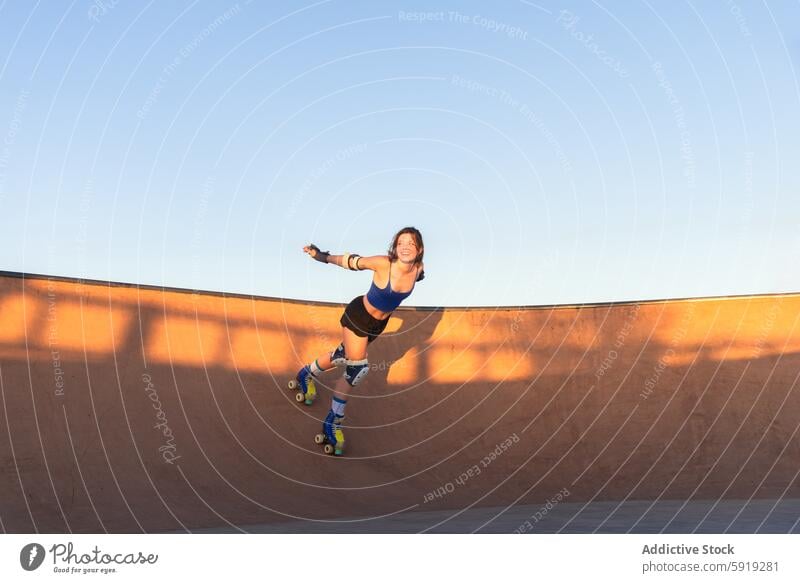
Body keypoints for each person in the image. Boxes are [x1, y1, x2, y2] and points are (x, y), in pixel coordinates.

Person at [295, 227, 425, 455]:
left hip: (377, 326)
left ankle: (306, 373)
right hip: (358, 316)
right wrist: (321, 256)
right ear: (394, 246)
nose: (405, 247)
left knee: (342, 356)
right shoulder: (384, 263)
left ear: (419, 249)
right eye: (401, 242)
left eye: (411, 243)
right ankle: (332, 422)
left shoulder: (418, 270)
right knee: (357, 370)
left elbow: (419, 276)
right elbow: (350, 261)